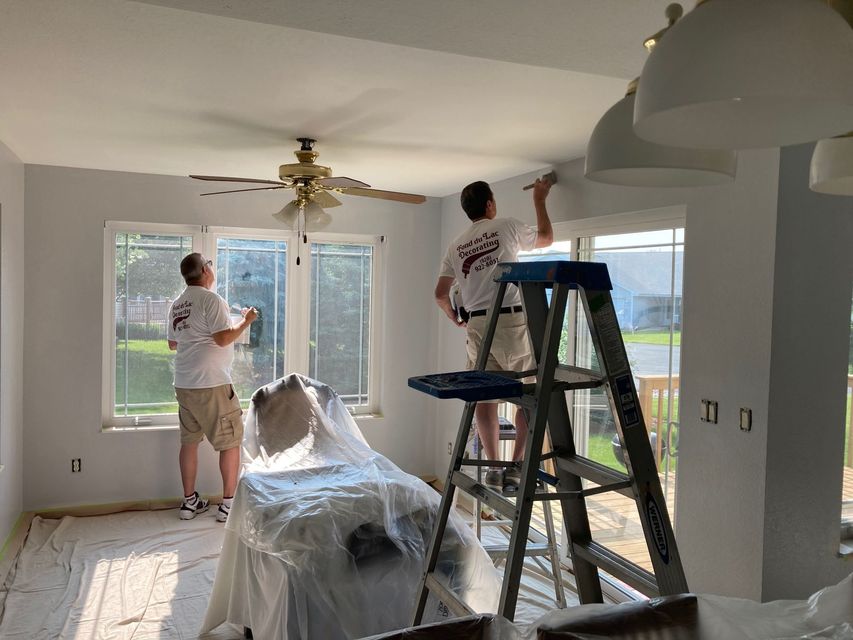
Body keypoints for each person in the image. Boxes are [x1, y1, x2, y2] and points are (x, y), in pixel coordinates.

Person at [435, 178, 553, 494]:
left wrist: (456, 318)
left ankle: (493, 466)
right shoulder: (506, 226)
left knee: (484, 398)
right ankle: (516, 467)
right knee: (530, 394)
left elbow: (440, 294)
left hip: (478, 327)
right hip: (511, 323)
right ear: (490, 204)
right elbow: (546, 238)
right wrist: (540, 199)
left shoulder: (456, 244)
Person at [167, 253, 257, 522]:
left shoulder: (178, 304)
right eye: (210, 264)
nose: (211, 268)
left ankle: (189, 502)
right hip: (212, 383)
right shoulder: (211, 300)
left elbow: (173, 343)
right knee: (230, 442)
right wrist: (247, 320)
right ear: (205, 270)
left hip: (184, 384)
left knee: (189, 443)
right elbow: (222, 338)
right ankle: (228, 504)